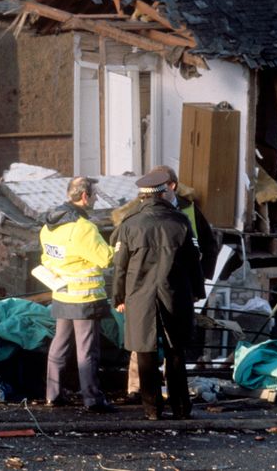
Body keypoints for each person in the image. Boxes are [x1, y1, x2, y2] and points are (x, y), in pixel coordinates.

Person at [113, 167, 206, 420]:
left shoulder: (129, 225)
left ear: (143, 197)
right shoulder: (180, 222)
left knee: (145, 352)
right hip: (175, 294)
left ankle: (152, 408)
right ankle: (180, 407)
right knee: (176, 351)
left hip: (139, 296)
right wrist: (197, 292)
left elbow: (120, 266)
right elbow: (194, 262)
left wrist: (119, 297)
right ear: (163, 193)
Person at [39, 176, 116, 413]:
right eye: (93, 195)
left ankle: (53, 394)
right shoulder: (83, 228)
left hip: (62, 294)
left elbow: (47, 258)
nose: (94, 200)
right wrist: (119, 248)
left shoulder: (49, 226)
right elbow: (106, 258)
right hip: (84, 298)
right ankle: (93, 399)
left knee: (59, 344)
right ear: (85, 196)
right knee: (87, 350)